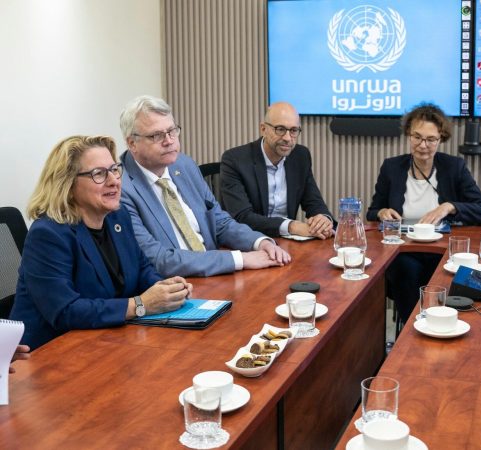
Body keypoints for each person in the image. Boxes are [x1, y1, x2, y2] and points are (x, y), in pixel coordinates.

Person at [10, 136, 191, 350]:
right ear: (67, 184)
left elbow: (141, 269)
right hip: (50, 354)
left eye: (114, 169)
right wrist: (140, 305)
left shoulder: (118, 216)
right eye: (99, 174)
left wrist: (165, 289)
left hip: (107, 340)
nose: (114, 180)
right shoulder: (48, 234)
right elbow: (65, 311)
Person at [119, 95, 291, 277]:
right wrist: (241, 259)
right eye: (157, 135)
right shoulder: (122, 190)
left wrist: (259, 242)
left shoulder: (183, 165)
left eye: (172, 131)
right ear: (132, 143)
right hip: (173, 287)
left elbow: (219, 222)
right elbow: (159, 260)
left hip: (215, 276)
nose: (169, 141)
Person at [366, 103, 481, 323]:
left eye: (431, 139)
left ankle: (440, 323)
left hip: (443, 252)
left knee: (445, 275)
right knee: (405, 270)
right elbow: (372, 212)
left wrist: (450, 206)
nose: (423, 145)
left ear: (440, 139)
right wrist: (383, 212)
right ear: (408, 135)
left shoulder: (454, 167)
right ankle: (412, 328)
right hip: (404, 251)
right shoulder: (392, 168)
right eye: (417, 137)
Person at [220, 102, 333, 239]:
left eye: (293, 130)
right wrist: (291, 226)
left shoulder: (300, 156)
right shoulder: (235, 160)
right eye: (280, 129)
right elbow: (242, 217)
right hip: (249, 241)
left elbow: (314, 202)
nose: (287, 138)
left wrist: (323, 219)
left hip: (288, 242)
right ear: (263, 129)